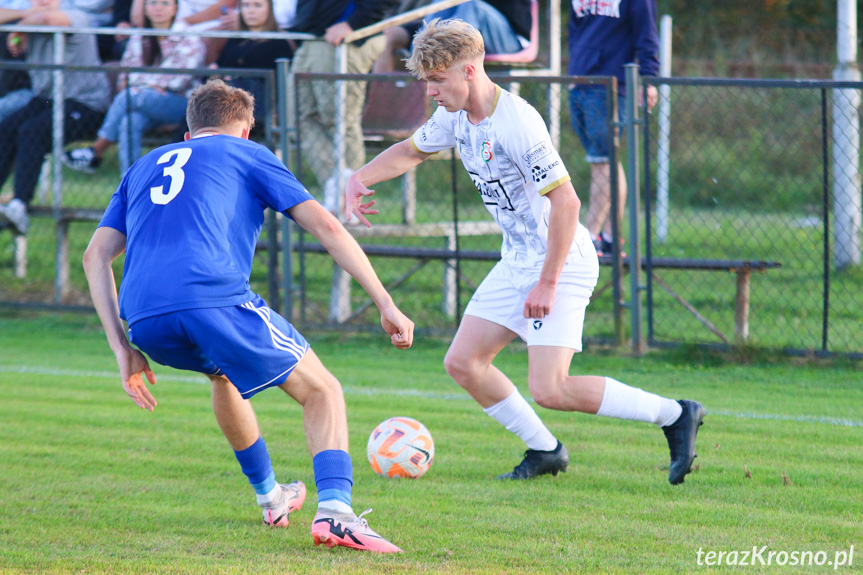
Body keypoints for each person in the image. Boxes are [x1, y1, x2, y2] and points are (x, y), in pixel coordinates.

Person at [345, 19, 704, 485]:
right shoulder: (453, 116)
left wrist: (548, 282)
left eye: (437, 80)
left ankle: (675, 414)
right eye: (426, 80)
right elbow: (411, 152)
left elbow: (567, 202)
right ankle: (545, 450)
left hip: (561, 262)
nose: (429, 91)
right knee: (463, 363)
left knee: (551, 387)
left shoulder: (517, 123)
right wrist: (359, 178)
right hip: (516, 261)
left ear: (470, 71)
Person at [82, 79, 413, 552]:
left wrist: (122, 349)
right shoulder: (249, 154)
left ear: (188, 132)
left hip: (145, 319)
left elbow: (95, 256)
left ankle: (273, 497)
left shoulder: (141, 167)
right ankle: (338, 514)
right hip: (212, 297)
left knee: (223, 376)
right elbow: (325, 225)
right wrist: (385, 301)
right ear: (245, 130)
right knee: (323, 390)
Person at [0, 0, 110, 235]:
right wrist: (26, 17)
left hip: (85, 103)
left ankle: (20, 204)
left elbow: (50, 19)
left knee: (32, 130)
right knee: (7, 128)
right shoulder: (28, 15)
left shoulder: (76, 15)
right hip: (48, 99)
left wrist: (19, 27)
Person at [62, 0, 206, 175]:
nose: (158, 8)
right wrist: (151, 85)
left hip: (179, 104)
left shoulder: (189, 36)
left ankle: (96, 149)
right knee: (129, 121)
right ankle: (131, 180)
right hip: (142, 101)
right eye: (152, 3)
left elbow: (178, 81)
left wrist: (143, 84)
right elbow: (126, 74)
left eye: (165, 3)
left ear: (175, 8)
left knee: (130, 96)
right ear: (145, 8)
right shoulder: (140, 35)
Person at [568, 0, 659, 256]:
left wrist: (649, 80)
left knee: (605, 160)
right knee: (602, 161)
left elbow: (648, 36)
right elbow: (575, 33)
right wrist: (573, 72)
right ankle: (609, 237)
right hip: (579, 80)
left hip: (610, 84)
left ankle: (587, 237)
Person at [288, 0, 397, 215]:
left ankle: (351, 203)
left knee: (340, 121)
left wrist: (352, 23)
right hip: (313, 38)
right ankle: (338, 184)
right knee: (294, 120)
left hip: (346, 38)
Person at [372, 0, 531, 74]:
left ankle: (447, 59)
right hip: (464, 25)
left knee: (472, 5)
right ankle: (419, 62)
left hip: (511, 38)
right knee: (441, 2)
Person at [214, 0, 294, 128]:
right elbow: (221, 68)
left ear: (269, 9)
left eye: (257, 5)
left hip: (259, 109)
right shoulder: (234, 40)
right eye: (246, 5)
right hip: (225, 104)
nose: (251, 11)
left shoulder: (279, 44)